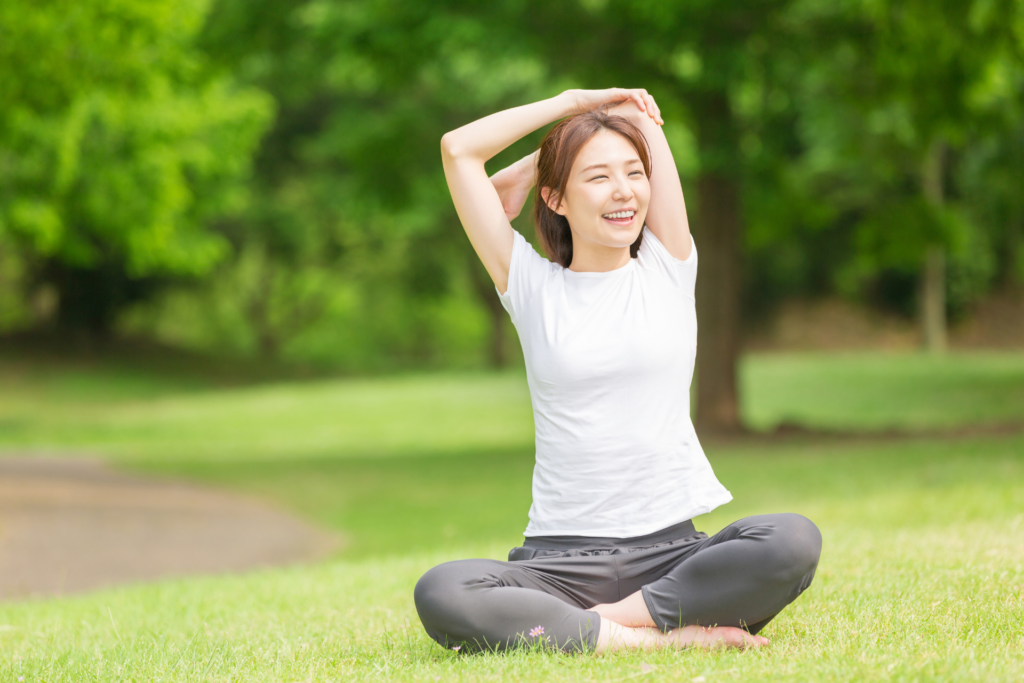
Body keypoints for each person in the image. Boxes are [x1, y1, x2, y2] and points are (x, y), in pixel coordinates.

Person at [414, 88, 822, 654]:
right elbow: (459, 150)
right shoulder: (530, 286)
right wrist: (573, 104)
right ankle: (663, 639)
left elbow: (635, 114)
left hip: (672, 556)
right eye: (598, 177)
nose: (624, 189)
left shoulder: (669, 266)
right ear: (555, 197)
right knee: (443, 590)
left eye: (633, 173)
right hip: (559, 564)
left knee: (791, 540)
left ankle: (596, 628)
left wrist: (568, 148)